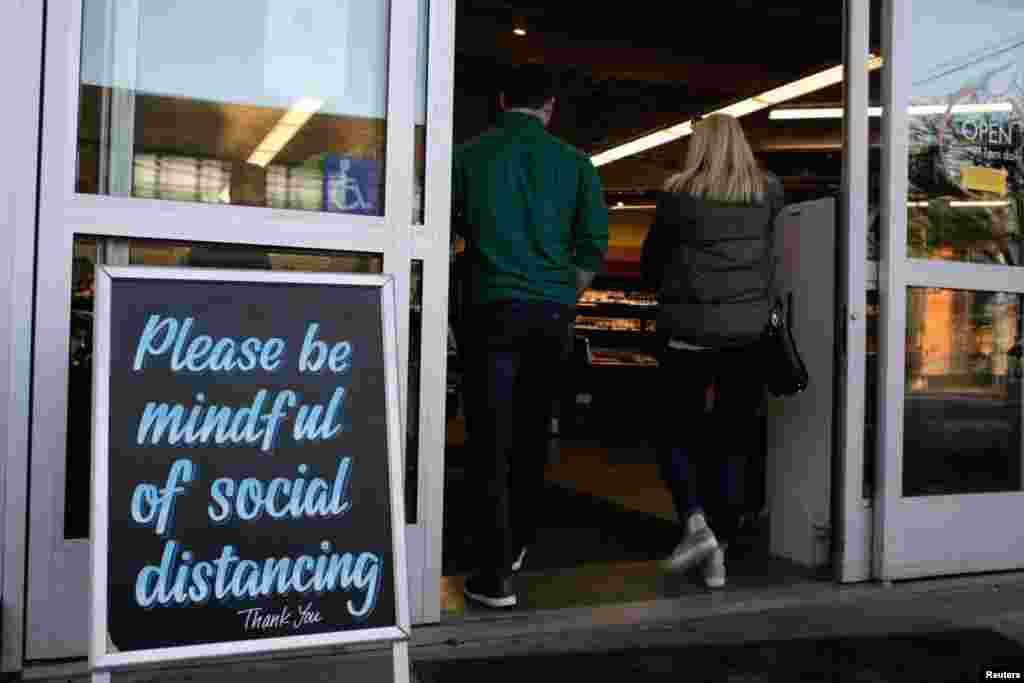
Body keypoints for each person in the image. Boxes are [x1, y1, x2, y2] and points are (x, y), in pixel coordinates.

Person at [451, 64, 609, 608]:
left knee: (489, 436)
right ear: (551, 107)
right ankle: (517, 543)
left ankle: (494, 573)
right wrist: (562, 294)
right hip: (550, 315)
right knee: (533, 432)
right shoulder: (576, 164)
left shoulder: (467, 157)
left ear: (500, 100)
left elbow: (440, 230)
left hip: (489, 308)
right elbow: (591, 248)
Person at [640, 113, 784, 589]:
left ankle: (696, 523)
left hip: (688, 335)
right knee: (731, 443)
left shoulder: (678, 195)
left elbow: (651, 264)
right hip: (746, 338)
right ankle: (717, 556)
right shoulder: (769, 193)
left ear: (697, 148)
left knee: (674, 434)